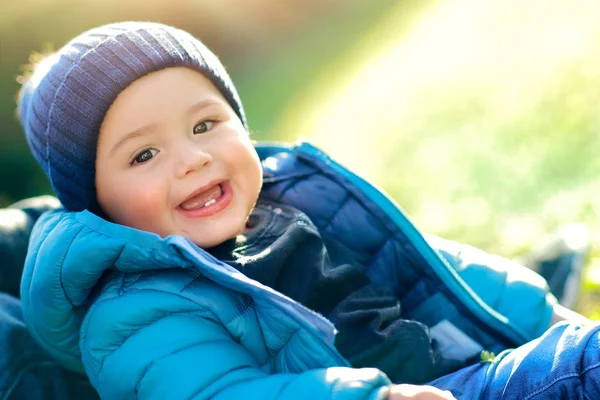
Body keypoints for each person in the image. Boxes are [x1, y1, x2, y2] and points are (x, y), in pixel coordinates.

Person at [12, 21, 595, 399]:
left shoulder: (287, 204)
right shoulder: (135, 310)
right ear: (98, 204)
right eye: (143, 154)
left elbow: (433, 270)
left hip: (448, 374)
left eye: (205, 124)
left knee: (571, 356)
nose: (190, 160)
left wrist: (540, 314)